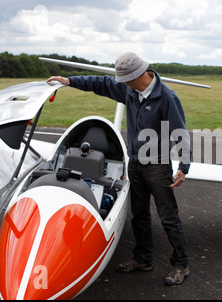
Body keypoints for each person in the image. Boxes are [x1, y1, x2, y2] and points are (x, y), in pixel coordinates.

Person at [47, 52, 190, 286]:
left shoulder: (167, 98)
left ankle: (181, 265)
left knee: (168, 217)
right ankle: (143, 259)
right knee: (139, 216)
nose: (121, 84)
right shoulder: (129, 90)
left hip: (157, 166)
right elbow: (100, 84)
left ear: (138, 75)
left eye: (125, 79)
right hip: (134, 164)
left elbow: (180, 134)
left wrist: (183, 166)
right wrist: (69, 81)